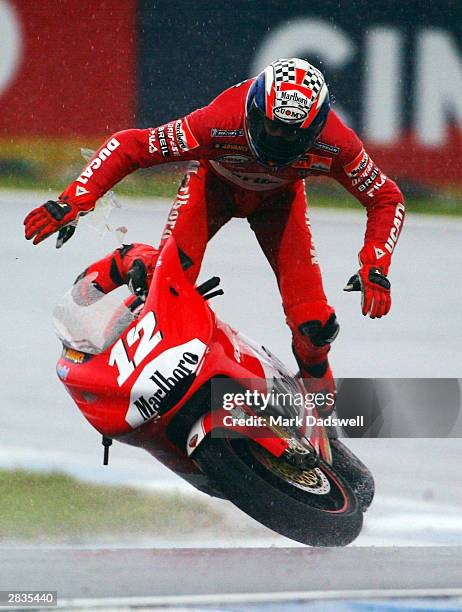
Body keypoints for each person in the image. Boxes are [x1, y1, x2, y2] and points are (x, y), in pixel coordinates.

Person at [23, 58, 405, 406]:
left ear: (316, 128)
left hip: (280, 202)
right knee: (165, 289)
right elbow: (131, 145)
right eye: (269, 127)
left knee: (314, 324)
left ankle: (322, 410)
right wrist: (73, 200)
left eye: (291, 135)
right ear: (254, 110)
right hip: (212, 189)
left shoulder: (337, 143)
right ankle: (130, 261)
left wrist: (375, 264)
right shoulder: (219, 120)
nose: (275, 142)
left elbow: (387, 198)